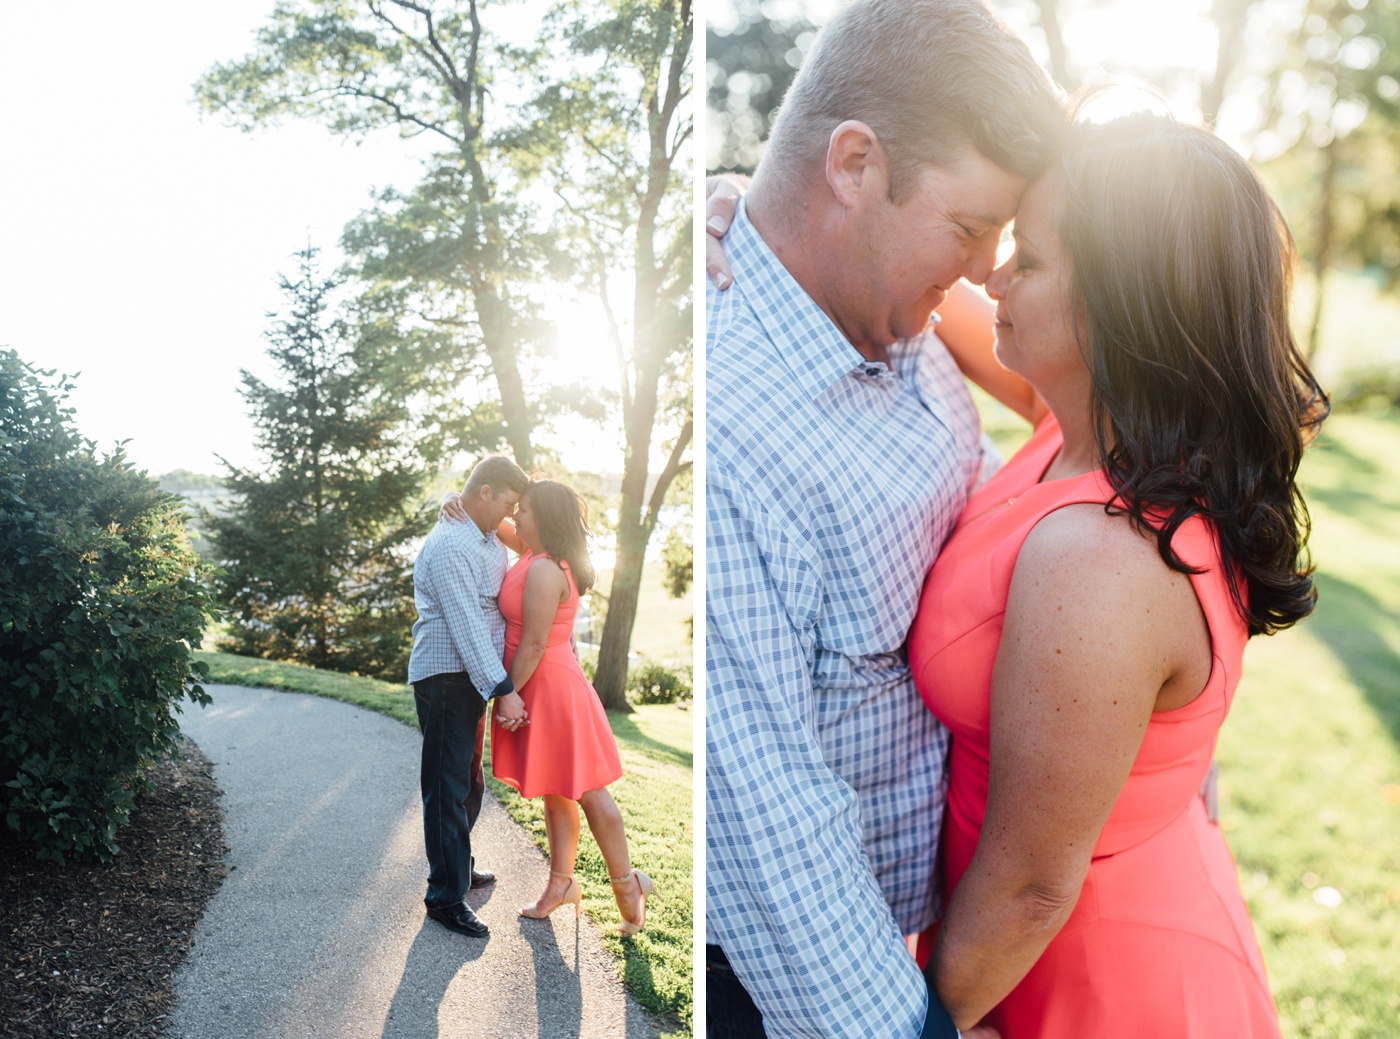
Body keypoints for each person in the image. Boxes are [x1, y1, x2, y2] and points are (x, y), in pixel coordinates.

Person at [906, 114, 1327, 1036]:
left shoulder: (1106, 554)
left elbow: (1030, 884)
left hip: (1087, 970)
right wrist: (748, 209)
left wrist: (929, 1021)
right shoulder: (1091, 428)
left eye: (1032, 259)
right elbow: (929, 292)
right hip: (1061, 922)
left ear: (1120, 312)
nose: (993, 273)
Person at [704, 0, 1063, 1035]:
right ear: (853, 165)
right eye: (966, 229)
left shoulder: (898, 322)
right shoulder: (736, 429)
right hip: (792, 991)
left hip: (928, 944)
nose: (983, 274)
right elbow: (773, 834)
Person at [486, 478, 657, 934]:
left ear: (543, 518)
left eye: (522, 509)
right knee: (557, 788)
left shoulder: (544, 568)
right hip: (540, 683)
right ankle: (561, 886)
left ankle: (627, 885)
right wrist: (454, 501)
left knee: (587, 790)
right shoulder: (532, 553)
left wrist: (507, 695)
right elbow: (491, 520)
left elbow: (536, 641)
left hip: (548, 687)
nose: (515, 515)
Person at [407, 454, 531, 938]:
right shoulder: (452, 545)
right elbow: (466, 626)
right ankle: (445, 897)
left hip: (468, 677)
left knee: (468, 782)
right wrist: (504, 689)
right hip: (446, 676)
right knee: (446, 787)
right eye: (506, 502)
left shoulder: (484, 535)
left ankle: (456, 865)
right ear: (484, 493)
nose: (510, 512)